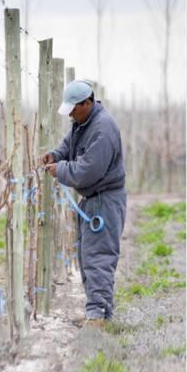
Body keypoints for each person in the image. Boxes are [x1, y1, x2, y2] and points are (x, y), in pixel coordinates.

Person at [40, 79, 127, 326]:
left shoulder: (103, 130)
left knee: (98, 257)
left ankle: (97, 316)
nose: (70, 115)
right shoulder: (83, 122)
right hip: (94, 200)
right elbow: (70, 145)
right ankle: (97, 312)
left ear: (86, 103)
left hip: (105, 201)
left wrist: (61, 168)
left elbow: (88, 171)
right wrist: (55, 155)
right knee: (87, 256)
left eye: (73, 109)